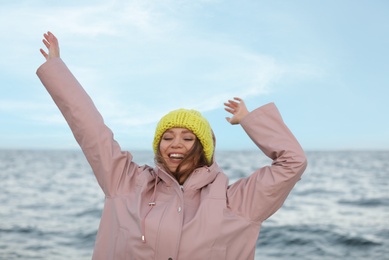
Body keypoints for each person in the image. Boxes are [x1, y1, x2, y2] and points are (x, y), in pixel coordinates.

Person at [37, 31, 307, 260]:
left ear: (204, 148)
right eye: (167, 137)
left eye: (188, 138)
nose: (175, 144)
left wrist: (250, 121)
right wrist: (57, 70)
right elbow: (90, 129)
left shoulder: (236, 203)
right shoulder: (125, 183)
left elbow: (293, 162)